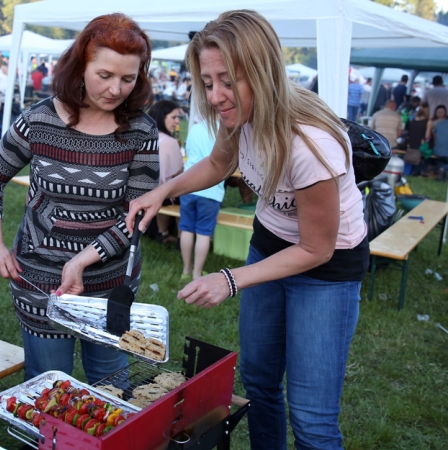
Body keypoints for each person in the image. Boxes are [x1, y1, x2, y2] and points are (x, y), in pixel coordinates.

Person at [127, 11, 368, 449]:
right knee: (258, 385)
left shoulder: (310, 144)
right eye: (207, 81)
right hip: (270, 241)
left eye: (228, 80)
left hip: (325, 267)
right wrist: (165, 191)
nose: (216, 95)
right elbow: (219, 163)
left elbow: (316, 248)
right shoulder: (237, 115)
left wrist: (230, 279)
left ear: (262, 71)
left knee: (312, 420)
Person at [0, 13, 158, 384]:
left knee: (111, 385)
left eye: (128, 78)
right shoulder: (39, 120)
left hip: (109, 286)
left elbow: (135, 219)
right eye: (104, 75)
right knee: (49, 382)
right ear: (79, 67)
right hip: (40, 283)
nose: (116, 89)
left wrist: (81, 260)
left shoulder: (142, 131)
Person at [179, 121, 224, 280]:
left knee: (187, 228)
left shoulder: (195, 127)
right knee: (203, 232)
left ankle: (186, 270)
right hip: (212, 187)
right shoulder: (224, 128)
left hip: (189, 183)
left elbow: (189, 151)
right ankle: (196, 273)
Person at [147, 100, 183, 244]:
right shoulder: (170, 141)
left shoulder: (147, 136)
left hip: (145, 192)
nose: (177, 122)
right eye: (173, 117)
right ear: (163, 117)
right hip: (162, 195)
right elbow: (178, 174)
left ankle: (163, 233)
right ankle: (183, 237)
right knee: (187, 191)